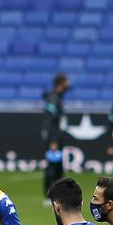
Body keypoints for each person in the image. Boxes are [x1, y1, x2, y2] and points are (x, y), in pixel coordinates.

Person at [41, 73, 71, 204]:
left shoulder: (58, 97)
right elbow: (49, 120)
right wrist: (53, 140)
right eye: (66, 82)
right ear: (61, 83)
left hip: (57, 137)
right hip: (53, 138)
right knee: (52, 167)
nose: (69, 84)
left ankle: (57, 194)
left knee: (58, 167)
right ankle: (49, 196)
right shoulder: (53, 98)